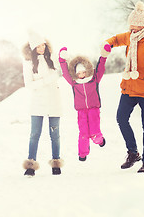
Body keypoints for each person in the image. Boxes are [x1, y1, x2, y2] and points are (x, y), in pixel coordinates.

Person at [105, 1, 144, 173]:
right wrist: (107, 45)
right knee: (121, 118)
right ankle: (133, 153)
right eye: (130, 28)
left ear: (143, 26)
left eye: (135, 28)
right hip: (129, 87)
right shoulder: (131, 36)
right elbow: (117, 39)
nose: (131, 31)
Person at [58, 43, 111, 161]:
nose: (81, 75)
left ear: (87, 71)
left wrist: (103, 56)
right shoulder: (74, 82)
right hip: (81, 110)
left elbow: (101, 68)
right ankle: (82, 153)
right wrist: (62, 60)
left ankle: (100, 140)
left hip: (94, 109)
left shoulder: (94, 79)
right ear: (76, 74)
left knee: (94, 132)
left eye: (83, 72)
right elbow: (66, 73)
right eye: (79, 73)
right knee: (83, 133)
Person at [21, 31, 64, 177]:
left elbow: (57, 74)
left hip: (53, 101)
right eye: (38, 46)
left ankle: (56, 163)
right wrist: (46, 81)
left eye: (43, 45)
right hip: (38, 102)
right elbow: (28, 84)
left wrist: (43, 81)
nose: (42, 48)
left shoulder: (51, 59)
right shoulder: (28, 63)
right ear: (33, 48)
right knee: (35, 134)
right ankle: (31, 165)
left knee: (55, 134)